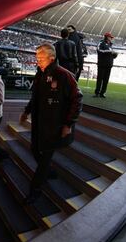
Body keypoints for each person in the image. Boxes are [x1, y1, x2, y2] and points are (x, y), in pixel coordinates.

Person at [19, 43, 83, 203]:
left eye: (40, 58)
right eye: (37, 58)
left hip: (54, 126)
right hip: (39, 123)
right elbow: (36, 97)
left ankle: (35, 190)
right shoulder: (40, 74)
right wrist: (27, 111)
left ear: (52, 58)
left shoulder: (64, 75)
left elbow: (77, 99)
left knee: (45, 158)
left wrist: (68, 124)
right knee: (34, 149)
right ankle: (48, 172)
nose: (37, 61)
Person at [94, 32, 117, 98]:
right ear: (107, 37)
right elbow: (99, 50)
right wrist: (109, 52)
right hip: (102, 64)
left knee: (106, 80)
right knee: (100, 79)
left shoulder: (110, 45)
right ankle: (97, 92)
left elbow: (111, 56)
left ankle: (102, 93)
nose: (111, 39)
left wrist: (115, 55)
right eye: (110, 37)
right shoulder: (101, 43)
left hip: (109, 65)